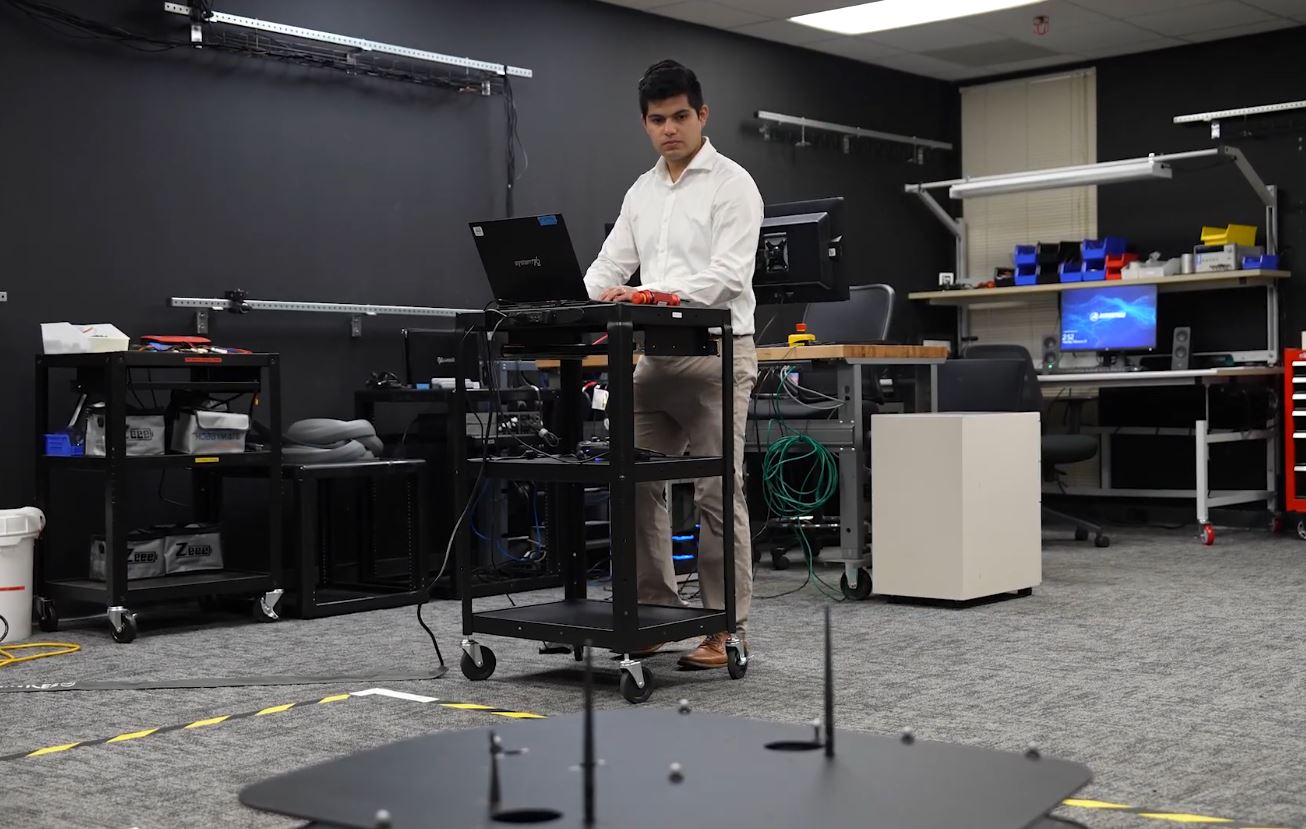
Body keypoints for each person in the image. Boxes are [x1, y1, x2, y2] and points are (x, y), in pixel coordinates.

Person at [583, 59, 763, 669]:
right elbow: (606, 268)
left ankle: (726, 630)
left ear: (702, 115)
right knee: (632, 490)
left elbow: (728, 277)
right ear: (645, 124)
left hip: (717, 355)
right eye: (657, 120)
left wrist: (652, 296)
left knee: (717, 494)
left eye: (680, 116)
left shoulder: (732, 184)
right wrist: (594, 293)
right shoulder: (641, 192)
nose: (669, 129)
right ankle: (654, 616)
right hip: (654, 360)